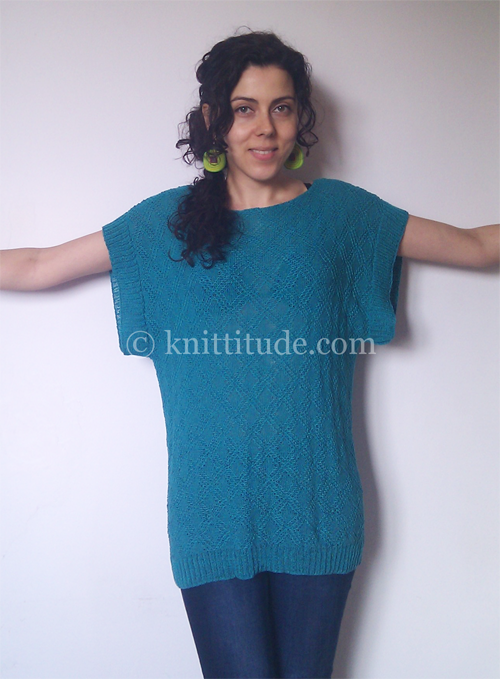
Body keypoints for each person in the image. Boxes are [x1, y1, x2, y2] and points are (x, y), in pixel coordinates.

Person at [0, 28, 498, 679]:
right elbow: (38, 265)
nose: (266, 128)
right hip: (211, 514)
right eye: (245, 108)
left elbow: (477, 247)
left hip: (318, 507)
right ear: (214, 119)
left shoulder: (344, 218)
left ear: (300, 117)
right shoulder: (164, 224)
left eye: (282, 107)